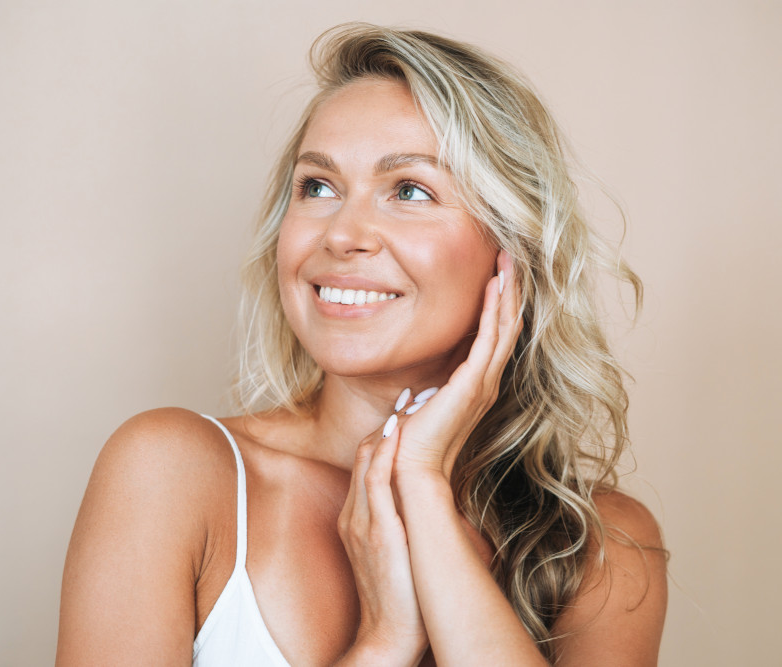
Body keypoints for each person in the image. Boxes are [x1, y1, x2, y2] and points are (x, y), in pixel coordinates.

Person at [56, 23, 667, 666]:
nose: (342, 233)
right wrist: (384, 642)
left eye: (409, 190)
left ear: (512, 252)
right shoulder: (171, 472)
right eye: (317, 187)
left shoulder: (605, 546)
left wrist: (423, 488)